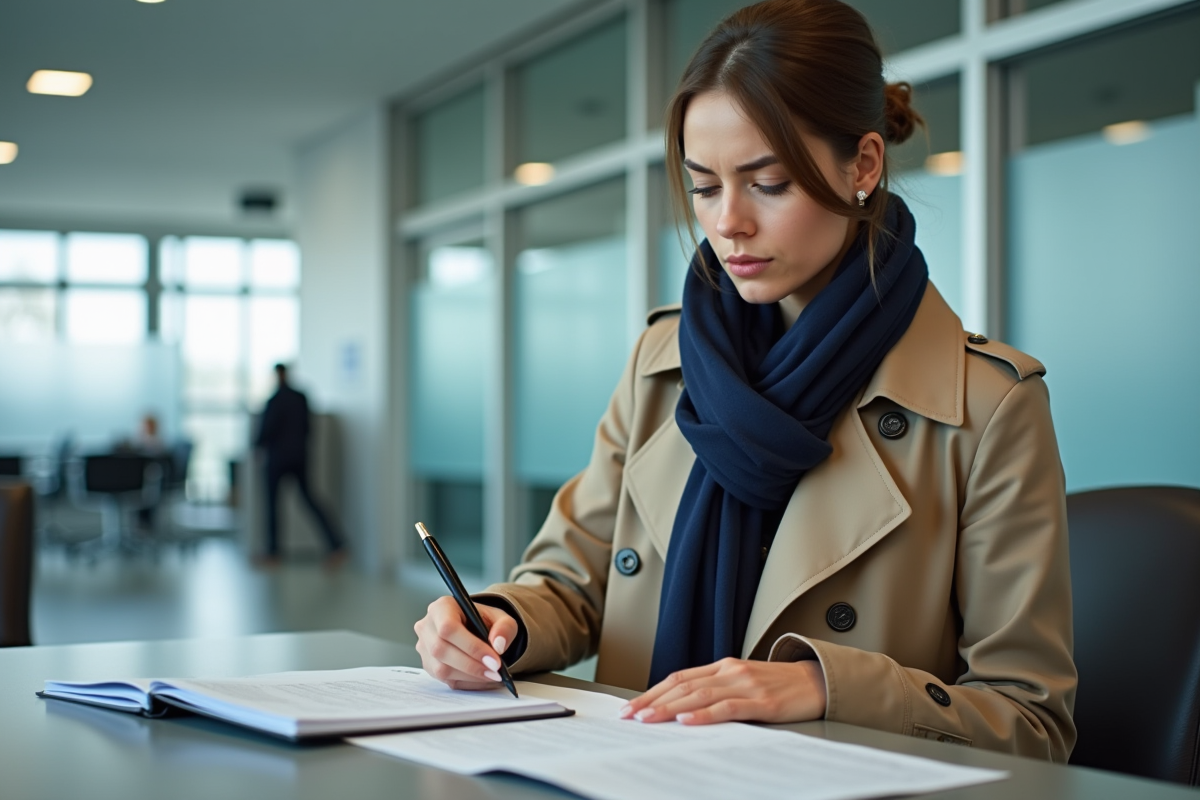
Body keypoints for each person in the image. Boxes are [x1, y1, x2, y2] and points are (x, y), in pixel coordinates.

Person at [414, 0, 1076, 762]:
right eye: (703, 186)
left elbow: (1031, 722)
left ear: (862, 166)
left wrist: (823, 687)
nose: (727, 222)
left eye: (768, 183)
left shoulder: (987, 406)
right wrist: (493, 622)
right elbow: (573, 581)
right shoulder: (663, 360)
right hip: (638, 769)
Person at [254, 363, 346, 567]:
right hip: (300, 458)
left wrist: (257, 446)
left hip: (278, 459)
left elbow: (267, 430)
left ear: (277, 376)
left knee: (273, 506)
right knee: (310, 500)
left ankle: (273, 553)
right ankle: (336, 544)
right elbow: (308, 429)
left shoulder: (275, 400)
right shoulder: (301, 398)